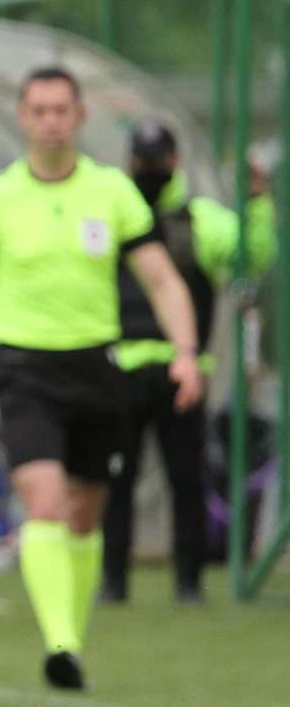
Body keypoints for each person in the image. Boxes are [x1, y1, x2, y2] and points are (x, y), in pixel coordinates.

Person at [0, 67, 202, 691]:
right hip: (23, 367)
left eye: (62, 109)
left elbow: (162, 279)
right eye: (39, 110)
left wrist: (185, 350)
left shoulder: (112, 192)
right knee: (45, 503)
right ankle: (60, 644)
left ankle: (70, 639)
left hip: (96, 366)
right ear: (22, 118)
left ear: (79, 117)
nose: (51, 120)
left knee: (84, 514)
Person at [103, 121, 277, 603]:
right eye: (144, 159)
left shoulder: (200, 219)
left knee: (186, 479)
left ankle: (189, 582)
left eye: (158, 160)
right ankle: (111, 582)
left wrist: (256, 202)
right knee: (116, 481)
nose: (151, 169)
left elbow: (251, 254)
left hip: (182, 371)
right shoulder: (113, 214)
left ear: (176, 161)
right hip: (120, 367)